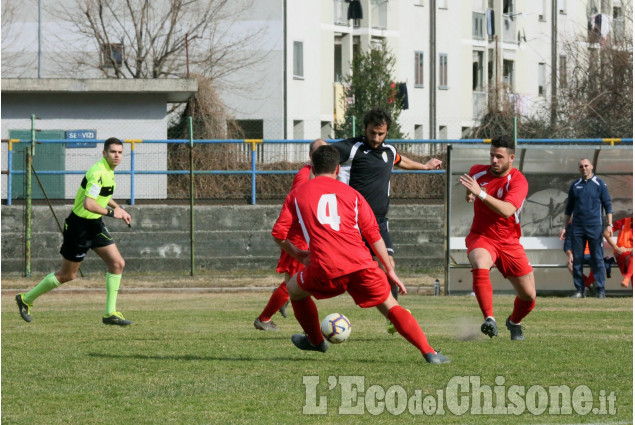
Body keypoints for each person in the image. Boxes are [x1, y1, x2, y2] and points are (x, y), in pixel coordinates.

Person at [271, 144, 449, 364]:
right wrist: (390, 270)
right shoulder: (353, 194)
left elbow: (278, 234)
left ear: (312, 168)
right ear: (337, 169)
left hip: (324, 267)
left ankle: (315, 341)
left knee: (294, 291)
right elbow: (374, 235)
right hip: (361, 264)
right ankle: (429, 352)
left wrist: (299, 254)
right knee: (390, 305)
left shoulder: (297, 194)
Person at [332, 107, 442, 333]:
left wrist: (424, 166)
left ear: (387, 132)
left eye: (381, 134)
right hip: (351, 222)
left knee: (388, 264)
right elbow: (321, 153)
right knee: (335, 270)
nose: (375, 138)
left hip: (378, 222)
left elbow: (400, 160)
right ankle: (293, 293)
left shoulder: (389, 151)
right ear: (364, 129)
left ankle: (394, 317)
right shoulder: (351, 148)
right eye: (372, 133)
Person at [15, 137, 133, 326]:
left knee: (117, 263)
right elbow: (89, 204)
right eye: (113, 152)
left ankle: (110, 313)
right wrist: (114, 213)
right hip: (79, 228)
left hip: (95, 225)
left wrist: (119, 208)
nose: (117, 155)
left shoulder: (109, 172)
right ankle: (26, 299)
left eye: (120, 152)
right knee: (67, 275)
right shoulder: (98, 172)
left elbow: (102, 196)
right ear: (104, 153)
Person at [459, 135, 536, 341]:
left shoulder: (518, 181)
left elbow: (507, 210)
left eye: (499, 157)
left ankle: (514, 322)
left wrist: (480, 194)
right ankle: (489, 319)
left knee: (529, 296)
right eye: (492, 155)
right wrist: (469, 193)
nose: (494, 160)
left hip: (510, 242)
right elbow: (472, 183)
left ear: (511, 158)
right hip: (482, 236)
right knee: (480, 261)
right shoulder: (478, 171)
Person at [253, 139, 327, 331]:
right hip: (298, 238)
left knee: (299, 281)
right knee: (295, 282)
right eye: (319, 152)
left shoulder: (318, 175)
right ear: (311, 156)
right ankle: (265, 318)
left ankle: (281, 303)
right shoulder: (304, 177)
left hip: (307, 236)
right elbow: (296, 205)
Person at [559, 158, 613, 299]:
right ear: (579, 169)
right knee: (577, 259)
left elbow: (607, 205)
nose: (584, 168)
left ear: (591, 167)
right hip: (577, 227)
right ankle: (580, 290)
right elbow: (569, 208)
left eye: (586, 166)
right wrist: (565, 227)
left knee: (598, 259)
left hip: (595, 227)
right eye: (581, 166)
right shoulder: (575, 185)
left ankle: (600, 290)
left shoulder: (599, 184)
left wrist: (609, 224)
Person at [605, 216, 633, 288]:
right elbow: (606, 233)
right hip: (621, 254)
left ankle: (627, 278)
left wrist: (627, 250)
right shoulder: (624, 221)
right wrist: (616, 248)